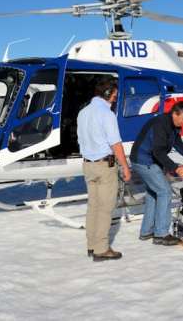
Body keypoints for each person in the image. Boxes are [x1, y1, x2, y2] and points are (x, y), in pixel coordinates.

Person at [77, 79, 132, 262]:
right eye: (115, 96)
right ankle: (101, 249)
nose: (115, 99)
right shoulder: (107, 114)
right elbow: (115, 144)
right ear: (108, 94)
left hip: (88, 165)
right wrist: (125, 166)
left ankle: (91, 245)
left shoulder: (83, 113)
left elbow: (81, 140)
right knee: (105, 208)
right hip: (104, 166)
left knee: (93, 206)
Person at [130, 101, 183, 245]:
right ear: (175, 114)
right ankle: (161, 234)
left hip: (151, 160)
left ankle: (147, 231)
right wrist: (176, 168)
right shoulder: (160, 124)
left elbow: (177, 143)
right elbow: (159, 151)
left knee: (153, 194)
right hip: (144, 160)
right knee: (165, 192)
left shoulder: (174, 125)